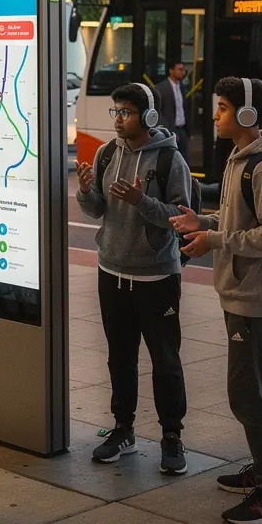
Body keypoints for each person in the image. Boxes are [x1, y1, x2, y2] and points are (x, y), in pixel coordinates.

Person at [172, 76, 262, 524]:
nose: (215, 114)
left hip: (258, 298)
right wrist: (202, 221)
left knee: (246, 395)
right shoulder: (238, 160)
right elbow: (237, 221)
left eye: (222, 107)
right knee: (261, 387)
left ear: (246, 115)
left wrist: (215, 239)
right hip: (242, 291)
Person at [76, 81, 192, 476]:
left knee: (165, 361)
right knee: (119, 357)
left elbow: (181, 217)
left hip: (155, 277)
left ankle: (172, 437)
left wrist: (142, 201)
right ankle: (123, 430)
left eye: (125, 112)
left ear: (149, 116)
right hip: (112, 271)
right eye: (116, 112)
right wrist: (86, 191)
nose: (119, 120)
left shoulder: (169, 160)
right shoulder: (108, 153)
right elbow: (97, 211)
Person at [156, 62, 190, 160]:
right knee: (171, 158)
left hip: (182, 130)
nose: (182, 72)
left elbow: (184, 109)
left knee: (184, 158)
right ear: (171, 71)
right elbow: (159, 110)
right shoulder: (161, 87)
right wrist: (166, 129)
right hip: (170, 129)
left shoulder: (182, 87)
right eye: (179, 69)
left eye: (183, 70)